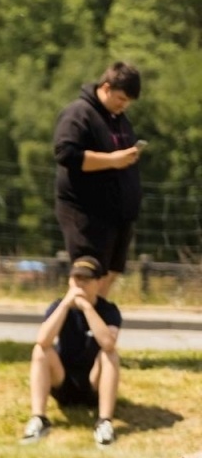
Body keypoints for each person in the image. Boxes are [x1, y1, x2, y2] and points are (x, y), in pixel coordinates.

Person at [53, 62, 142, 296]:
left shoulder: (118, 118)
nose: (124, 106)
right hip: (86, 214)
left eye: (128, 102)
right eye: (121, 98)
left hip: (117, 216)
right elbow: (65, 153)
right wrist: (112, 160)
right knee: (86, 277)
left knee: (108, 277)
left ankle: (94, 328)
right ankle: (74, 328)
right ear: (106, 87)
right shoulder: (78, 113)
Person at [21, 255, 122, 447]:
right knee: (40, 351)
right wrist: (66, 305)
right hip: (63, 381)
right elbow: (43, 340)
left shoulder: (108, 310)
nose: (80, 284)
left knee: (110, 354)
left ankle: (105, 422)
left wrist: (87, 308)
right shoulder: (58, 306)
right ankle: (39, 419)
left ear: (99, 282)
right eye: (76, 278)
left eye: (86, 279)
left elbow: (108, 343)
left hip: (94, 384)